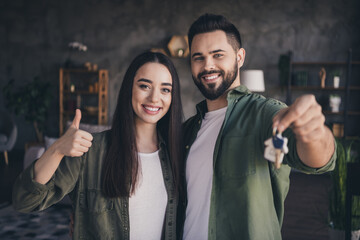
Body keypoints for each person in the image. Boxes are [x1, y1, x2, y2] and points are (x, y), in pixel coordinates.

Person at [178, 14, 336, 240]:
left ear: (239, 57)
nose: (208, 65)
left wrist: (315, 133)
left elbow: (320, 161)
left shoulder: (266, 113)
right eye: (198, 58)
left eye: (218, 55)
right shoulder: (187, 130)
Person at [12, 51, 183, 239]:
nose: (154, 98)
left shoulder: (177, 153)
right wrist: (57, 149)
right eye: (144, 86)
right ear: (129, 89)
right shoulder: (91, 153)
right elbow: (25, 201)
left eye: (165, 89)